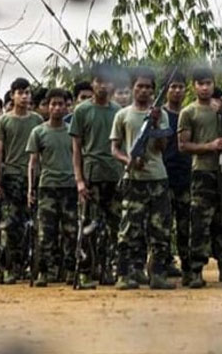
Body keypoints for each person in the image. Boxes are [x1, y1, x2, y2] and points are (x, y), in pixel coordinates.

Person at [178, 67, 222, 289]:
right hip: (202, 173)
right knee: (200, 224)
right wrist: (209, 146)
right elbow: (183, 145)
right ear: (194, 86)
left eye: (208, 83)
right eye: (200, 83)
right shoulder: (189, 112)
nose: (205, 87)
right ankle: (196, 272)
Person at [110, 67, 175, 290]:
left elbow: (162, 145)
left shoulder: (161, 115)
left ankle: (157, 274)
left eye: (148, 87)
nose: (144, 91)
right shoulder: (122, 115)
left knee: (160, 230)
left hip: (158, 178)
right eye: (140, 86)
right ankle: (124, 274)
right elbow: (114, 149)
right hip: (133, 179)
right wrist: (128, 160)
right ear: (132, 89)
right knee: (129, 229)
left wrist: (156, 123)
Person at [70, 65, 123, 288]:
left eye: (108, 81)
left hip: (114, 174)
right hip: (91, 174)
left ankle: (109, 270)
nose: (104, 86)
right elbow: (76, 148)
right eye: (99, 81)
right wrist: (79, 180)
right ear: (93, 83)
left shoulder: (118, 111)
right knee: (89, 226)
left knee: (114, 227)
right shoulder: (82, 111)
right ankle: (84, 272)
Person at [0, 78, 45, 284]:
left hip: (34, 177)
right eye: (20, 93)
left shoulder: (37, 121)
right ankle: (7, 267)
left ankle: (28, 266)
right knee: (9, 225)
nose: (25, 97)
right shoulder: (3, 121)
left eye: (28, 93)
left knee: (32, 225)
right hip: (11, 177)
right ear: (12, 95)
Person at [26, 88, 78, 287]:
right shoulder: (38, 132)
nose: (57, 108)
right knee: (45, 233)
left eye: (61, 104)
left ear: (68, 107)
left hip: (69, 187)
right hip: (47, 187)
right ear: (47, 107)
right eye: (53, 104)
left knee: (70, 231)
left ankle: (70, 270)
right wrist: (31, 189)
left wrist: (79, 182)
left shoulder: (73, 131)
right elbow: (33, 162)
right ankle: (44, 272)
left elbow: (77, 158)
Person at [160, 71, 192, 283]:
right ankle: (162, 265)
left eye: (181, 87)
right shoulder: (159, 114)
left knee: (185, 225)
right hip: (163, 175)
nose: (177, 91)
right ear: (165, 90)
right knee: (162, 224)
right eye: (173, 87)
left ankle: (189, 268)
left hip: (187, 175)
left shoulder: (189, 114)